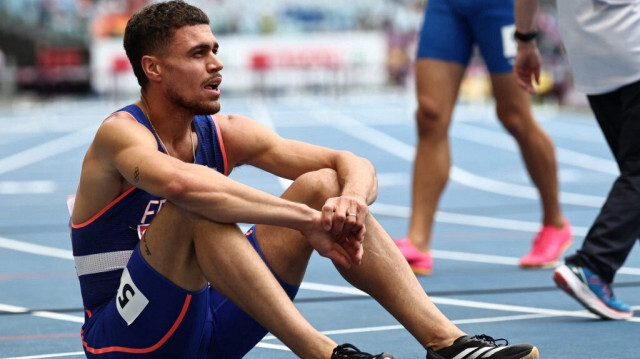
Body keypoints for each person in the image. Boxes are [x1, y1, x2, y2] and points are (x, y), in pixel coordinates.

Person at [69, 1, 541, 358]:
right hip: (126, 336)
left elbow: (349, 161)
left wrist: (349, 201)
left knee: (323, 185)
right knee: (198, 203)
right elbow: (183, 187)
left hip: (211, 323)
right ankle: (324, 353)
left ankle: (449, 345)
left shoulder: (227, 132)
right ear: (153, 68)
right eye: (198, 54)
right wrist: (304, 221)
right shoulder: (120, 135)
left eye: (215, 50)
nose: (217, 64)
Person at [395, 0, 572, 275]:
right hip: (447, 6)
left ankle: (555, 223)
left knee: (514, 116)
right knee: (429, 115)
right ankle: (418, 240)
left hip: (500, 7)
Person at [514, 0, 638, 320]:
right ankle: (593, 265)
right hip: (631, 37)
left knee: (634, 172)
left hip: (590, 55)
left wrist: (525, 39)